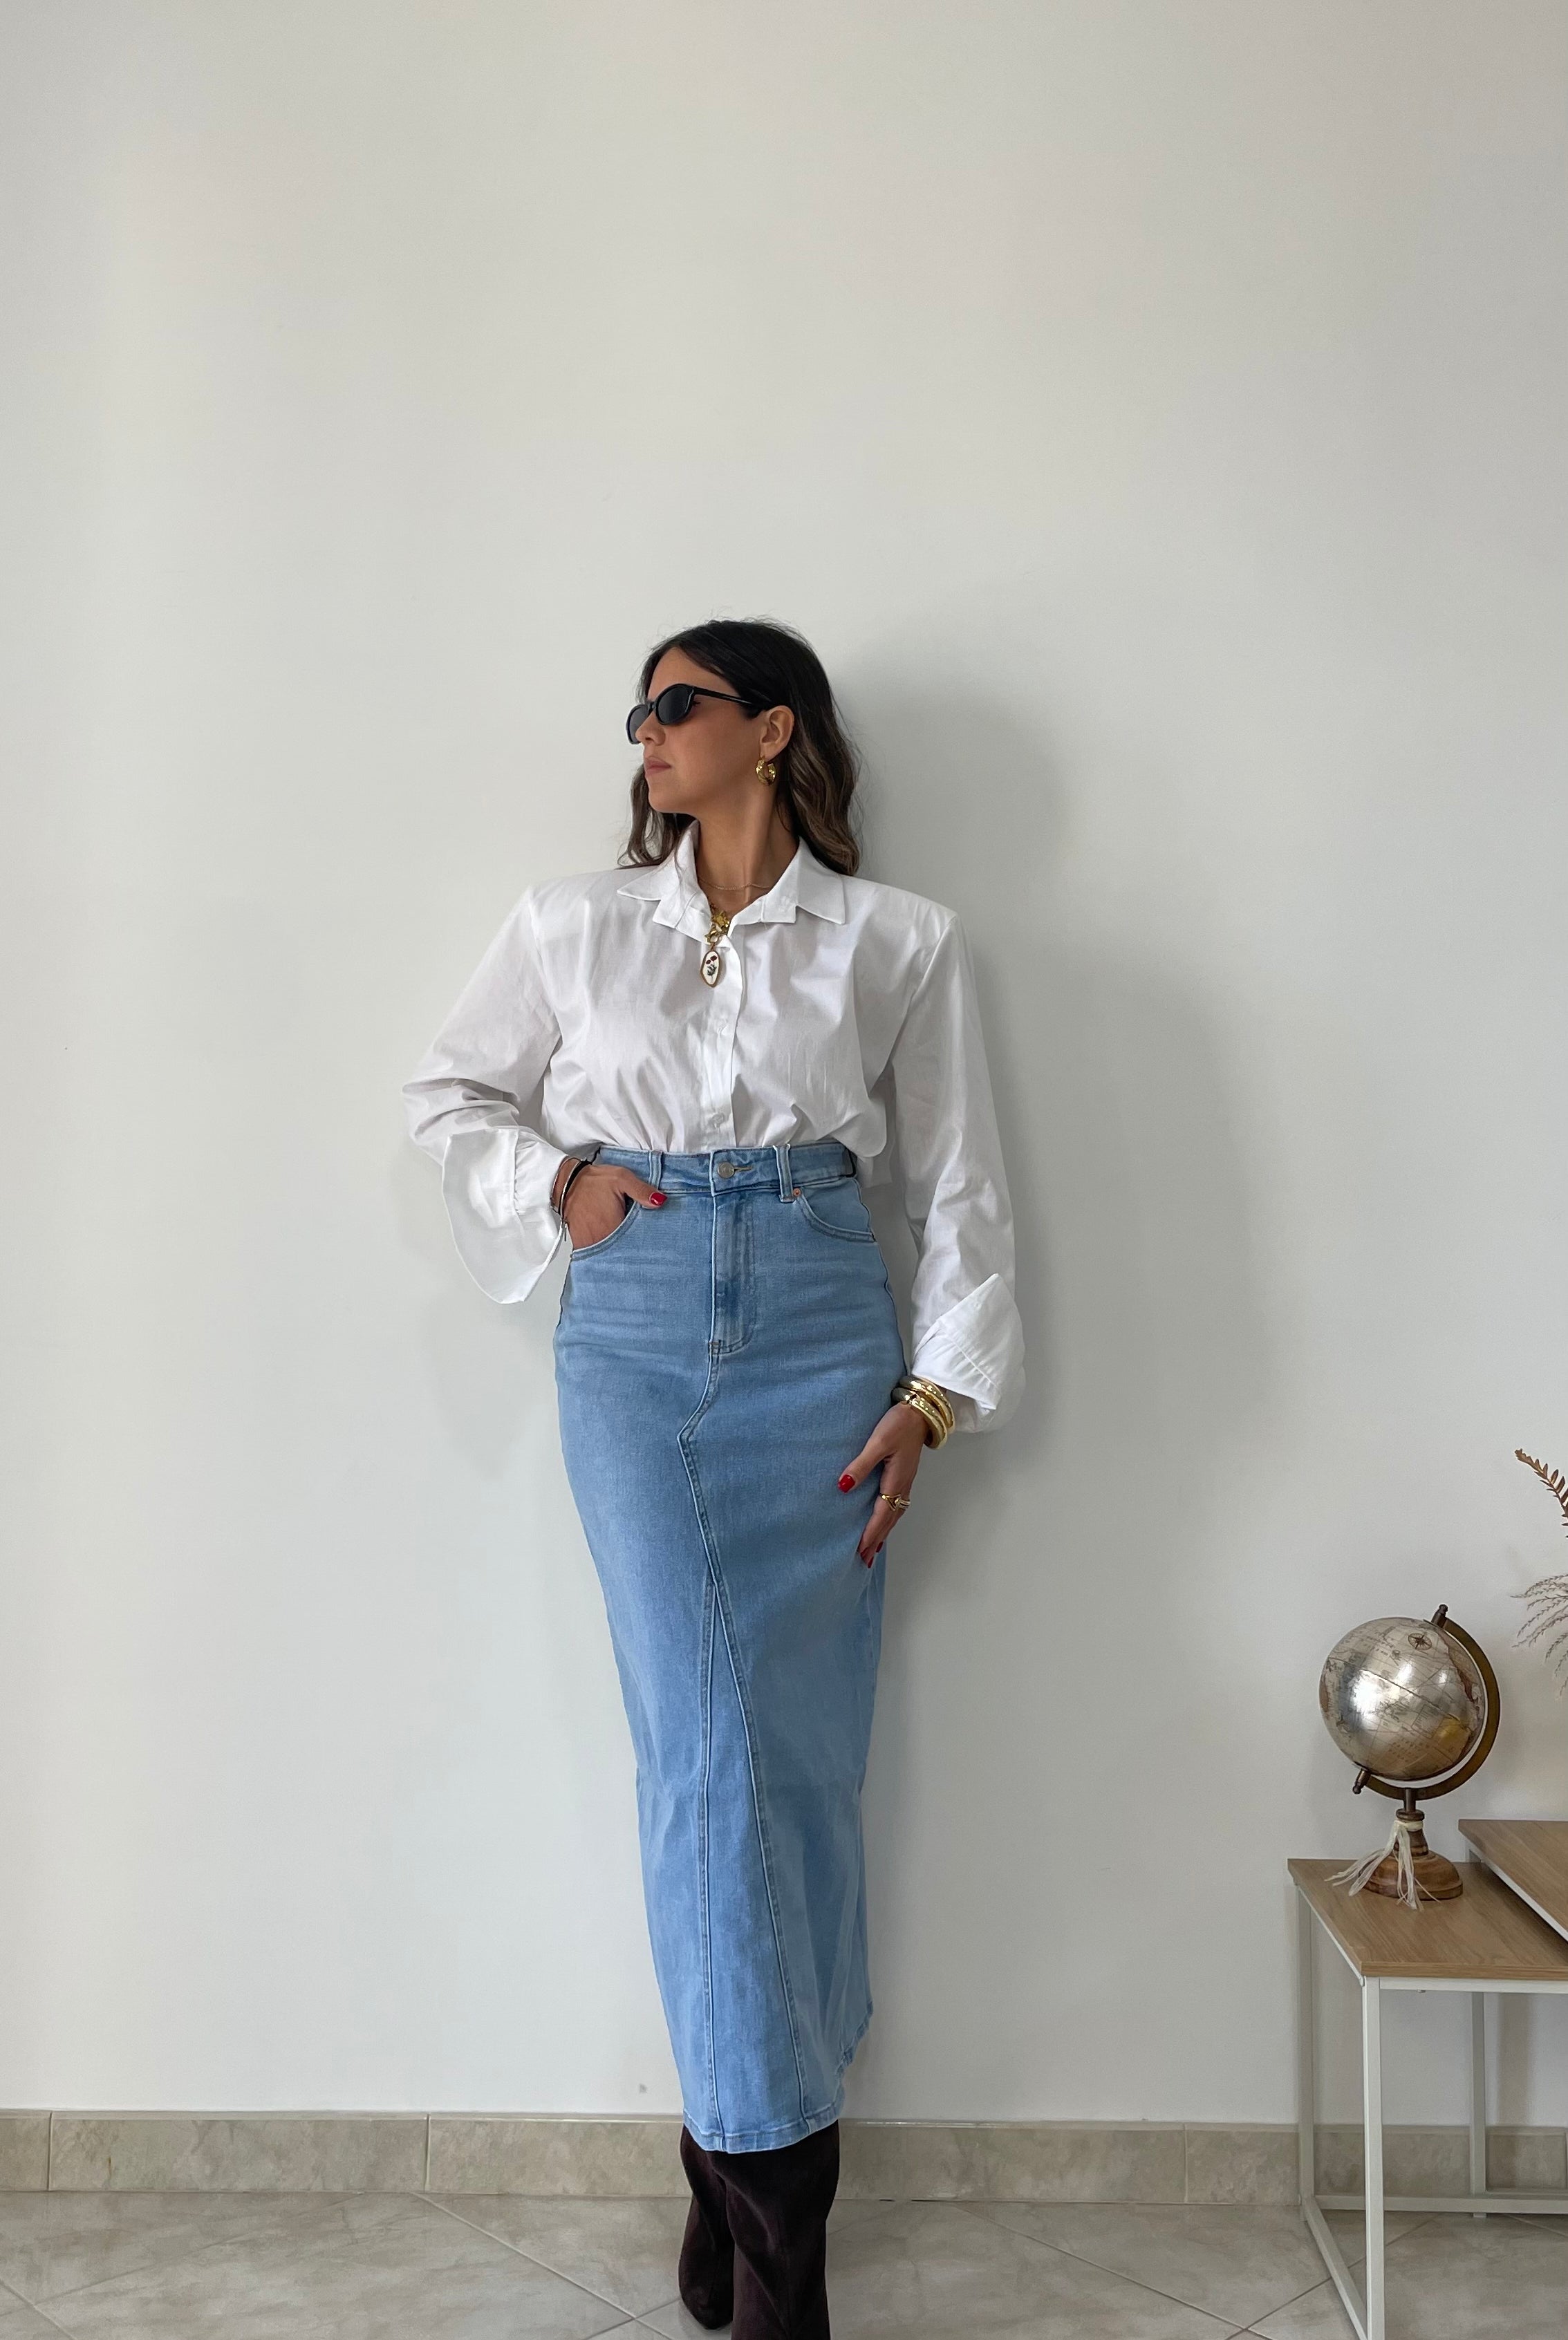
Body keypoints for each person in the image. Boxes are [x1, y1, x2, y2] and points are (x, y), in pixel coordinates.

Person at [402, 617, 1024, 2337]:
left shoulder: (901, 940)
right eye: (639, 711)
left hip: (827, 1329)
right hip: (640, 1335)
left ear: (772, 730)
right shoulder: (572, 924)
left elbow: (961, 1185)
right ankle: (779, 2235)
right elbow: (448, 1094)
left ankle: (725, 2144)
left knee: (797, 1766)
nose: (645, 733)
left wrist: (935, 1397)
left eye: (676, 705)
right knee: (709, 1756)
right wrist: (561, 1185)